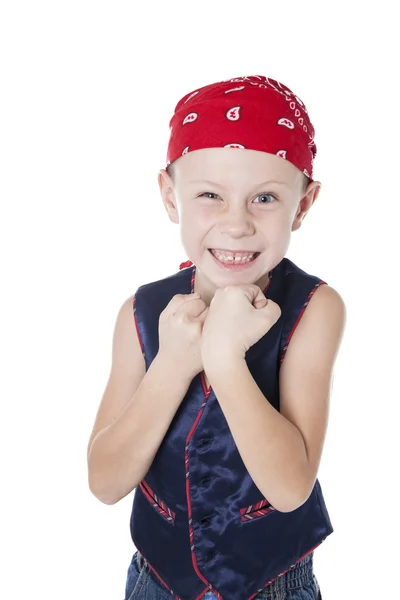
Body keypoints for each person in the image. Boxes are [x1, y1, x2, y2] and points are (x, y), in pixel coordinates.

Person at [87, 75, 346, 600]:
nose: (236, 224)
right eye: (209, 195)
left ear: (303, 203)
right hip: (155, 582)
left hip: (272, 587)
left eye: (265, 198)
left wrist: (225, 359)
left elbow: (290, 488)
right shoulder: (141, 312)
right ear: (169, 195)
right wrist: (172, 364)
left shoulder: (314, 309)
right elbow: (105, 482)